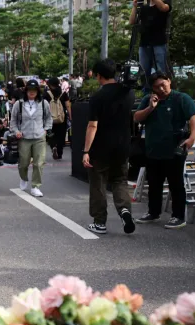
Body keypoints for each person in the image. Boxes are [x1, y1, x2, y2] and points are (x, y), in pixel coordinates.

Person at [134, 72, 195, 229]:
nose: (161, 88)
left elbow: (194, 117)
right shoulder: (149, 99)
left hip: (174, 148)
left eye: (163, 84)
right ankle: (153, 212)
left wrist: (192, 137)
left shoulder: (181, 98)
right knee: (154, 183)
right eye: (157, 87)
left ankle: (178, 216)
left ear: (169, 81)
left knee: (175, 183)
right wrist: (150, 107)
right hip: (153, 148)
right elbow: (136, 117)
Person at [81, 59, 136, 235]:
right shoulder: (128, 93)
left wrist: (86, 150)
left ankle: (100, 222)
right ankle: (124, 210)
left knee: (99, 183)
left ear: (99, 75)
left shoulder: (98, 96)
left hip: (101, 146)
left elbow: (93, 125)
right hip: (123, 144)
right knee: (120, 180)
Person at [9, 79, 53, 197]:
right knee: (23, 163)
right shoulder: (19, 103)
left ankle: (35, 186)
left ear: (38, 91)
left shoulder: (44, 103)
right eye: (30, 90)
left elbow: (49, 118)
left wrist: (46, 129)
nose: (32, 92)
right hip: (24, 137)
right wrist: (17, 131)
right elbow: (13, 120)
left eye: (34, 90)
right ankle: (23, 178)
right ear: (26, 90)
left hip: (39, 137)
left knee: (39, 163)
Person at [130, 0, 171, 90]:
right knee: (144, 71)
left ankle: (162, 92)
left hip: (159, 42)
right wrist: (134, 7)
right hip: (144, 43)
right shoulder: (144, 8)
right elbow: (132, 22)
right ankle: (146, 94)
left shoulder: (165, 2)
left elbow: (164, 8)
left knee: (161, 70)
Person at [44, 77, 71, 161]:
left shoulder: (46, 94)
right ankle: (59, 152)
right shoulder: (63, 93)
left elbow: (43, 106)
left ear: (51, 85)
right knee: (61, 135)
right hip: (61, 118)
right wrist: (70, 116)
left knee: (50, 134)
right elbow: (68, 105)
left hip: (50, 118)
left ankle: (53, 146)